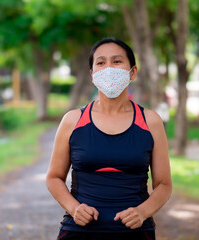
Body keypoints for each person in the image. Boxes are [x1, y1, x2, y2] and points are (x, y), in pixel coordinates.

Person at [46, 37, 172, 240]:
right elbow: (53, 178)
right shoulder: (73, 121)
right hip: (79, 232)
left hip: (135, 232)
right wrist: (74, 208)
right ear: (92, 74)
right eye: (101, 62)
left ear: (133, 72)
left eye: (117, 61)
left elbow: (164, 184)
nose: (109, 68)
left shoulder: (150, 121)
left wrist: (142, 212)